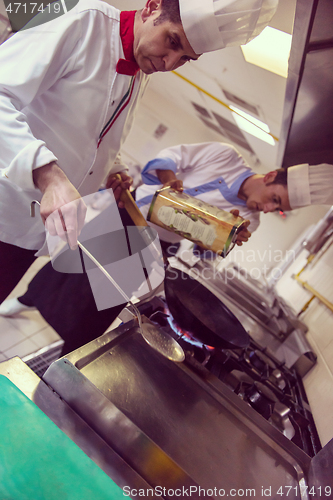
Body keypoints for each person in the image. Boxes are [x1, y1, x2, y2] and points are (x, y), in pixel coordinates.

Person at [0, 0, 279, 306]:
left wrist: (112, 168)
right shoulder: (83, 20)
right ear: (152, 6)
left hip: (28, 230)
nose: (169, 63)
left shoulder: (139, 75)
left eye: (185, 59)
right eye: (172, 41)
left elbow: (91, 138)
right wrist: (50, 177)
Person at [1, 141, 332, 357]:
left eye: (278, 209)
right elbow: (171, 157)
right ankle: (27, 299)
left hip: (158, 244)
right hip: (130, 214)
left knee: (102, 302)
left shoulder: (247, 221)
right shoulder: (226, 157)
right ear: (271, 175)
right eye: (275, 199)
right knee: (72, 268)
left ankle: (68, 354)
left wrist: (220, 237)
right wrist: (171, 178)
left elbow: (201, 255)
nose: (269, 208)